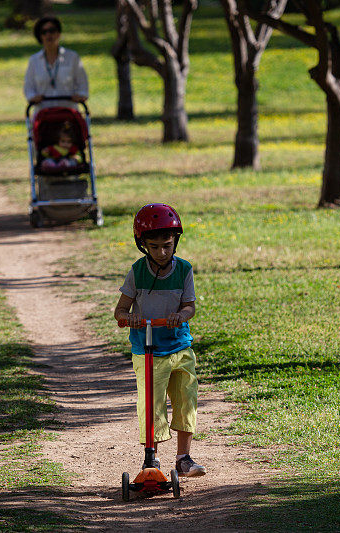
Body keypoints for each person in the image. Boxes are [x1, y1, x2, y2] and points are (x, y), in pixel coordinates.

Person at [114, 203, 207, 478]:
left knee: (185, 398)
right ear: (142, 245)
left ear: (175, 242)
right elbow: (120, 310)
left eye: (167, 245)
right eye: (154, 247)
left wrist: (181, 315)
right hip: (148, 349)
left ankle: (184, 458)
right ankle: (150, 460)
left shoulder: (184, 270)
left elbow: (190, 306)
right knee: (152, 402)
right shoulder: (137, 272)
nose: (162, 252)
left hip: (179, 345)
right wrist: (128, 317)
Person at [24, 16, 88, 111]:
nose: (48, 35)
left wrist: (80, 96)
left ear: (58, 33)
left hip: (68, 113)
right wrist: (33, 97)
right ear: (40, 36)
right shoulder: (34, 60)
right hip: (43, 114)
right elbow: (29, 88)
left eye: (52, 31)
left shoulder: (72, 57)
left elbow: (83, 85)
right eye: (44, 32)